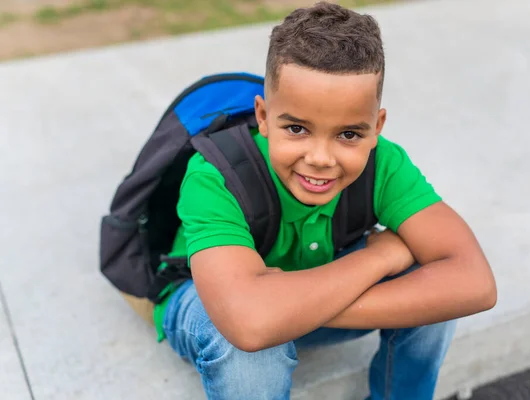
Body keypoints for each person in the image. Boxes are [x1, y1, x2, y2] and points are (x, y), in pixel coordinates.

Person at [153, 2, 497, 399]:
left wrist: (288, 306)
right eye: (297, 128)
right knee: (248, 344)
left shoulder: (384, 163)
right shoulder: (216, 174)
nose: (320, 158)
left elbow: (475, 283)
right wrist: (377, 258)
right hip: (207, 305)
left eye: (349, 134)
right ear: (263, 116)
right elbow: (248, 324)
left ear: (376, 127)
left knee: (436, 282)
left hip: (279, 301)